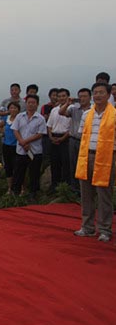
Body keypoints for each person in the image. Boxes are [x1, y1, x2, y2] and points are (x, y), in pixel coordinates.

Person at [73, 82, 116, 242]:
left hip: (106, 158)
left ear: (108, 95)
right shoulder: (87, 114)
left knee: (104, 194)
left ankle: (105, 229)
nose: (98, 95)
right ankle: (87, 227)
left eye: (101, 92)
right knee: (86, 194)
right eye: (95, 92)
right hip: (87, 156)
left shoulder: (114, 114)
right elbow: (82, 135)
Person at [11, 94, 47, 200]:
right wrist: (22, 142)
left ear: (37, 104)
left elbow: (40, 134)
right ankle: (15, 194)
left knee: (34, 173)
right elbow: (15, 130)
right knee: (18, 173)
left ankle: (33, 194)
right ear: (26, 104)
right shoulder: (19, 116)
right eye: (29, 102)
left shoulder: (40, 118)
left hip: (34, 151)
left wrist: (25, 141)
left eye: (33, 103)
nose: (31, 104)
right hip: (21, 151)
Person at [59, 87, 92, 194]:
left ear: (90, 97)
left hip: (87, 141)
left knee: (86, 165)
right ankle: (75, 189)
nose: (82, 98)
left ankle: (87, 190)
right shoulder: (74, 109)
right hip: (74, 140)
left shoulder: (93, 110)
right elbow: (61, 112)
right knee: (73, 164)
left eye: (85, 96)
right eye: (80, 96)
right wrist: (67, 103)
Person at [46, 88, 72, 193]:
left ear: (68, 97)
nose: (61, 98)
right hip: (54, 137)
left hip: (66, 139)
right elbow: (49, 125)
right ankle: (54, 185)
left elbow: (72, 127)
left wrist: (62, 138)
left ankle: (66, 186)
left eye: (63, 96)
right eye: (59, 96)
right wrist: (51, 137)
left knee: (66, 163)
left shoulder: (72, 109)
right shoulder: (54, 110)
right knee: (54, 163)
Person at [0, 101, 21, 194]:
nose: (13, 109)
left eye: (15, 108)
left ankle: (21, 188)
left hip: (17, 146)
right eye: (11, 108)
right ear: (8, 109)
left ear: (18, 110)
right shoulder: (6, 118)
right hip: (6, 145)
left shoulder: (20, 119)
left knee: (18, 167)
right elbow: (0, 126)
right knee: (8, 167)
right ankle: (10, 188)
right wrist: (4, 133)